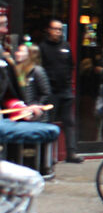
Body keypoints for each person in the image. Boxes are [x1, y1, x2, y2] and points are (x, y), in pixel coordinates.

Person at [0, 9, 59, 213]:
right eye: (0, 22)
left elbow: (8, 95)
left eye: (3, 22)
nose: (3, 26)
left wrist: (22, 108)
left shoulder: (3, 58)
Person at [38, 19, 82, 163]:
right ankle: (47, 156)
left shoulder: (66, 46)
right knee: (48, 122)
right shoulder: (43, 47)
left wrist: (69, 83)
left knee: (69, 122)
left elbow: (71, 65)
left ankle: (71, 153)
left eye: (59, 29)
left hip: (65, 90)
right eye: (55, 29)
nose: (57, 32)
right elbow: (40, 69)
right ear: (48, 30)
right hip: (51, 91)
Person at [14, 45, 52, 122]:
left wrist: (36, 106)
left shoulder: (37, 71)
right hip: (21, 113)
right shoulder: (16, 70)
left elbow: (46, 93)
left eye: (21, 51)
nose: (17, 53)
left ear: (29, 54)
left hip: (35, 116)